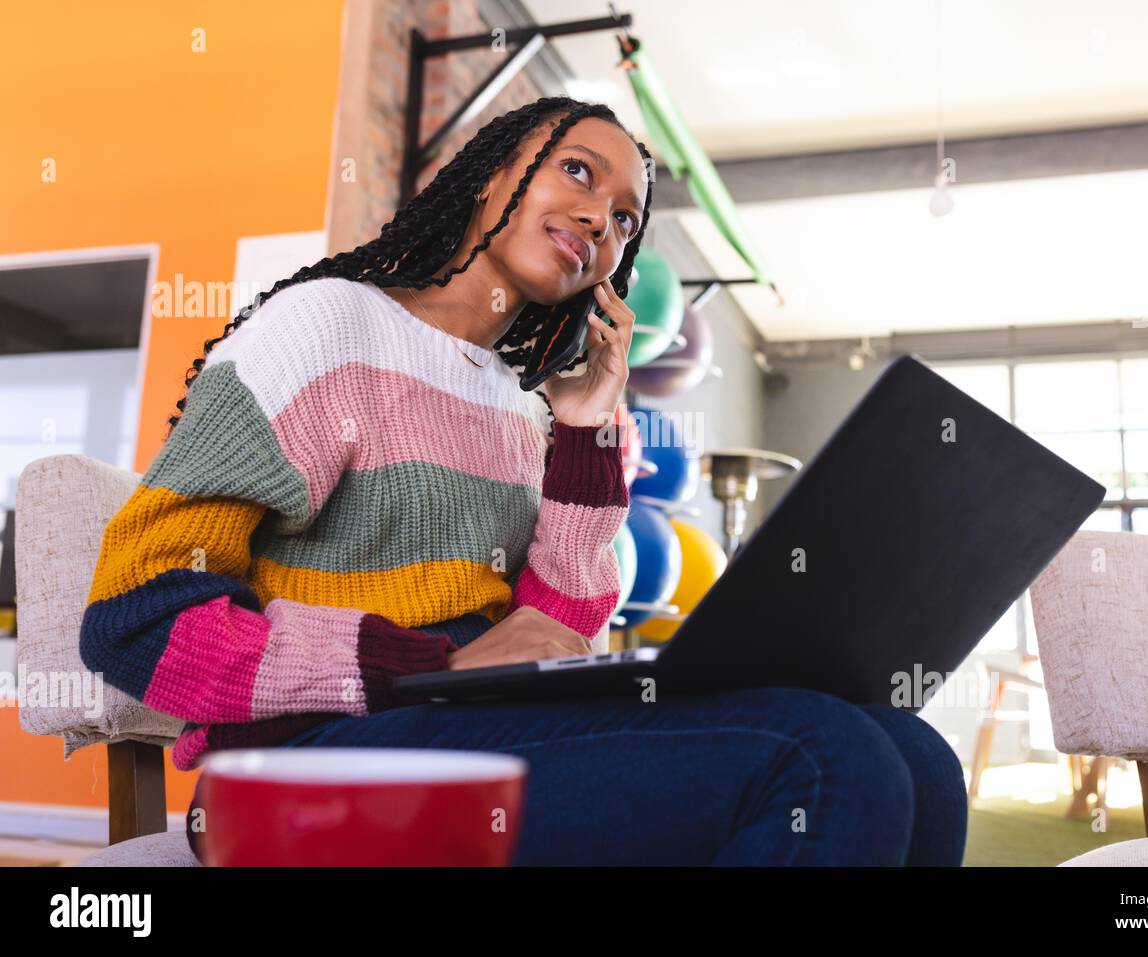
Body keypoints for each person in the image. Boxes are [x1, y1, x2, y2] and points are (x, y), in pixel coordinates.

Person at [79, 96, 967, 866]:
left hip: (465, 735)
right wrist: (429, 663)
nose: (600, 221)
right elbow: (136, 618)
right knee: (825, 759)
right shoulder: (324, 330)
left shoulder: (526, 403)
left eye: (625, 219)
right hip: (293, 768)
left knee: (916, 755)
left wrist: (581, 433)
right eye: (577, 173)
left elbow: (556, 631)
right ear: (492, 175)